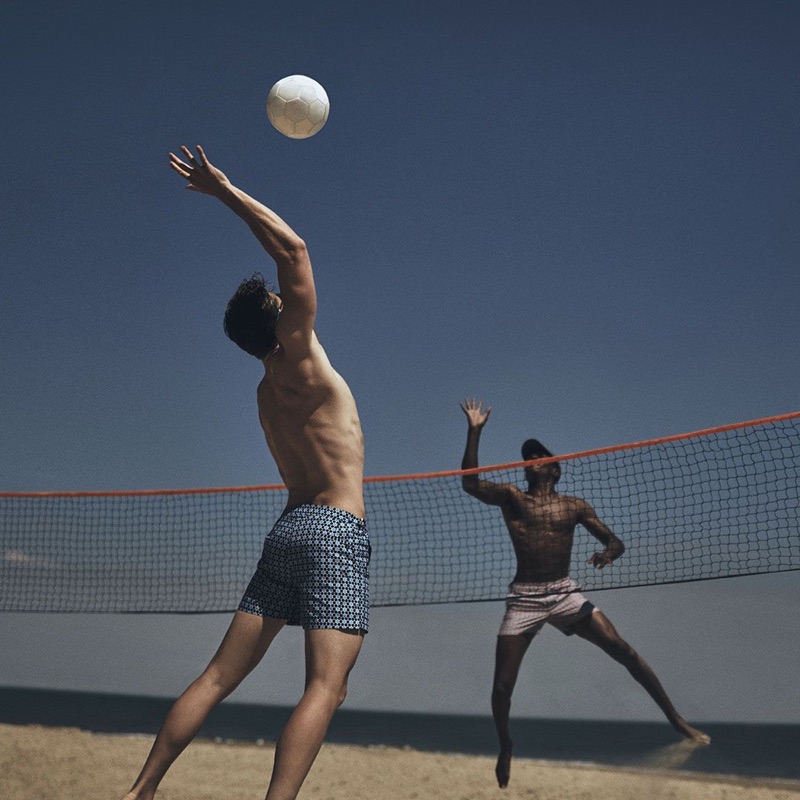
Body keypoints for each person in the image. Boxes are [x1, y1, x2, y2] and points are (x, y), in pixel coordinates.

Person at [122, 145, 370, 800]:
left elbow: (285, 267)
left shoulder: (264, 393)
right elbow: (295, 251)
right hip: (333, 531)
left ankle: (141, 790)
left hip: (285, 533)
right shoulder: (303, 361)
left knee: (215, 678)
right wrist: (226, 190)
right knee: (326, 687)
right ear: (279, 322)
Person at [459, 398, 710, 789]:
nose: (533, 459)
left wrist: (609, 552)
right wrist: (475, 430)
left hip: (565, 593)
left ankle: (676, 720)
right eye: (528, 456)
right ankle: (506, 744)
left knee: (623, 650)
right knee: (502, 688)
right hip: (525, 596)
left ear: (555, 469)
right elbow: (469, 483)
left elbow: (616, 542)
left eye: (540, 455)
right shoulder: (512, 497)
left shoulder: (574, 507)